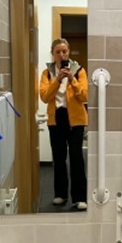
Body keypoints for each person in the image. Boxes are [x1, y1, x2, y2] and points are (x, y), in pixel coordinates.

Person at [39, 38, 88, 210]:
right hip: (56, 119)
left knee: (76, 157)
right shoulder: (47, 73)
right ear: (52, 54)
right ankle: (60, 194)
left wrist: (72, 79)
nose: (61, 55)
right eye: (58, 52)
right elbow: (44, 97)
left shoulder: (79, 70)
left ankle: (80, 197)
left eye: (64, 52)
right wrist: (57, 80)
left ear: (68, 52)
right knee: (59, 158)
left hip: (76, 120)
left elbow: (84, 96)